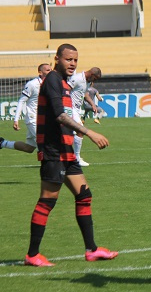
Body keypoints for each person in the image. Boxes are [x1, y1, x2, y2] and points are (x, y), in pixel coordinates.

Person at [24, 43, 117, 267]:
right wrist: (89, 132)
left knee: (84, 196)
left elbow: (66, 115)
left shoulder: (65, 83)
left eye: (75, 60)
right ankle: (32, 255)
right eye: (68, 59)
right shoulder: (54, 81)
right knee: (47, 201)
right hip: (53, 152)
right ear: (57, 59)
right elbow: (60, 116)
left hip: (66, 151)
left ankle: (92, 250)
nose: (73, 64)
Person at [0, 63, 51, 154]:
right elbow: (21, 101)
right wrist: (16, 119)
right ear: (40, 72)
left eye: (50, 70)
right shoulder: (32, 84)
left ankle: (3, 143)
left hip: (43, 119)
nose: (50, 72)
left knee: (29, 148)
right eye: (47, 70)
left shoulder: (50, 84)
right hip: (33, 119)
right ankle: (49, 163)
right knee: (45, 141)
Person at [68, 67, 102, 166]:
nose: (94, 81)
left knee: (68, 133)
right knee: (80, 129)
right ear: (91, 74)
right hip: (70, 108)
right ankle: (76, 158)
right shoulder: (77, 78)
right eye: (95, 79)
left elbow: (85, 94)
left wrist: (93, 104)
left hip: (77, 110)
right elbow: (65, 90)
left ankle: (67, 156)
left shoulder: (86, 81)